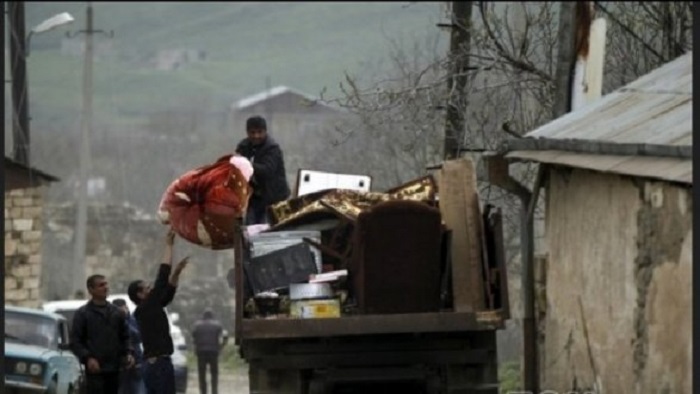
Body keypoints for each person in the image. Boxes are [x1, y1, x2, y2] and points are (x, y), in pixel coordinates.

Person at [128, 230, 189, 394]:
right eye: (147, 288)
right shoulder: (146, 308)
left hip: (160, 363)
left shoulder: (150, 308)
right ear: (140, 295)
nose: (152, 288)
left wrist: (176, 273)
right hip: (157, 366)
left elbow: (168, 292)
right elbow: (163, 275)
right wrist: (169, 245)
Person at [70, 274, 134, 394]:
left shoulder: (116, 312)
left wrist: (129, 352)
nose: (105, 287)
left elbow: (125, 336)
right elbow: (76, 341)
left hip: (114, 369)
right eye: (101, 285)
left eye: (106, 284)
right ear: (91, 290)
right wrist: (88, 358)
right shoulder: (83, 314)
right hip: (95, 370)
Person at [235, 115, 291, 224]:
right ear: (247, 132)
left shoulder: (272, 148)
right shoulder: (243, 147)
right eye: (253, 132)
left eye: (260, 132)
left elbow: (267, 171)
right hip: (254, 198)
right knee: (250, 230)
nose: (256, 136)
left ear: (265, 131)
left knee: (266, 232)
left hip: (273, 199)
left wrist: (246, 164)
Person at [191, 308, 229, 394]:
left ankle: (203, 392)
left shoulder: (197, 325)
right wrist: (221, 346)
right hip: (213, 351)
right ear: (212, 316)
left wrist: (195, 348)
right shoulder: (217, 325)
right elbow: (225, 336)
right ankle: (214, 391)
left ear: (203, 316)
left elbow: (193, 338)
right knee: (214, 373)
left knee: (202, 374)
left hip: (201, 352)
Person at [113, 298, 146, 394]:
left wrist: (124, 321)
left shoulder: (132, 319)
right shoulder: (112, 321)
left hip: (136, 362)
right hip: (120, 363)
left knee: (138, 389)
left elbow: (138, 335)